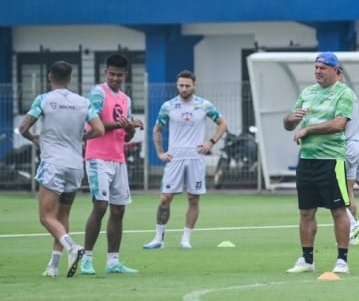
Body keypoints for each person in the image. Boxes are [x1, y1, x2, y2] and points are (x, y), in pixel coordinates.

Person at [18, 60, 105, 277]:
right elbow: (100, 129)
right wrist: (80, 137)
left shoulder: (44, 100)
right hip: (75, 165)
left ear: (49, 77)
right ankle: (53, 266)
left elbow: (23, 127)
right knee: (62, 215)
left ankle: (72, 248)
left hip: (53, 164)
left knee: (46, 217)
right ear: (70, 78)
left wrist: (33, 138)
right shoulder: (83, 102)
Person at [283, 52, 355, 274]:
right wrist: (290, 119)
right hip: (307, 161)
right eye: (316, 68)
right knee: (306, 212)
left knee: (338, 210)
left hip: (331, 160)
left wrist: (308, 129)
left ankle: (342, 260)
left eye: (323, 68)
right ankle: (307, 260)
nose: (318, 71)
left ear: (336, 70)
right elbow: (288, 125)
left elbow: (339, 124)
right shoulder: (307, 92)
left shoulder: (344, 93)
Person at [143, 70, 228, 249]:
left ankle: (186, 239)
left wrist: (210, 142)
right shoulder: (169, 106)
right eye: (181, 85)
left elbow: (223, 124)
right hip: (175, 158)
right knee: (165, 198)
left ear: (194, 86)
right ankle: (158, 238)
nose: (183, 89)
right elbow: (157, 129)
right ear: (177, 85)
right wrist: (160, 152)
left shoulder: (204, 105)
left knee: (193, 199)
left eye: (187, 86)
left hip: (196, 158)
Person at [80, 54, 144, 275]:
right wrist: (120, 124)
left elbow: (126, 137)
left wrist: (130, 129)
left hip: (118, 158)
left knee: (118, 210)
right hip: (97, 156)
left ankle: (113, 262)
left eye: (119, 75)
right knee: (100, 206)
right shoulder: (98, 92)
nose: (115, 78)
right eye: (112, 74)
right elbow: (94, 123)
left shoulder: (126, 99)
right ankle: (86, 259)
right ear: (105, 72)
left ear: (125, 75)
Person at [336, 68, 359, 246]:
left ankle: (353, 225)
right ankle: (352, 236)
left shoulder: (341, 94)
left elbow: (338, 123)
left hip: (343, 146)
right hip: (355, 145)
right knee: (349, 192)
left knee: (334, 192)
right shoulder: (351, 94)